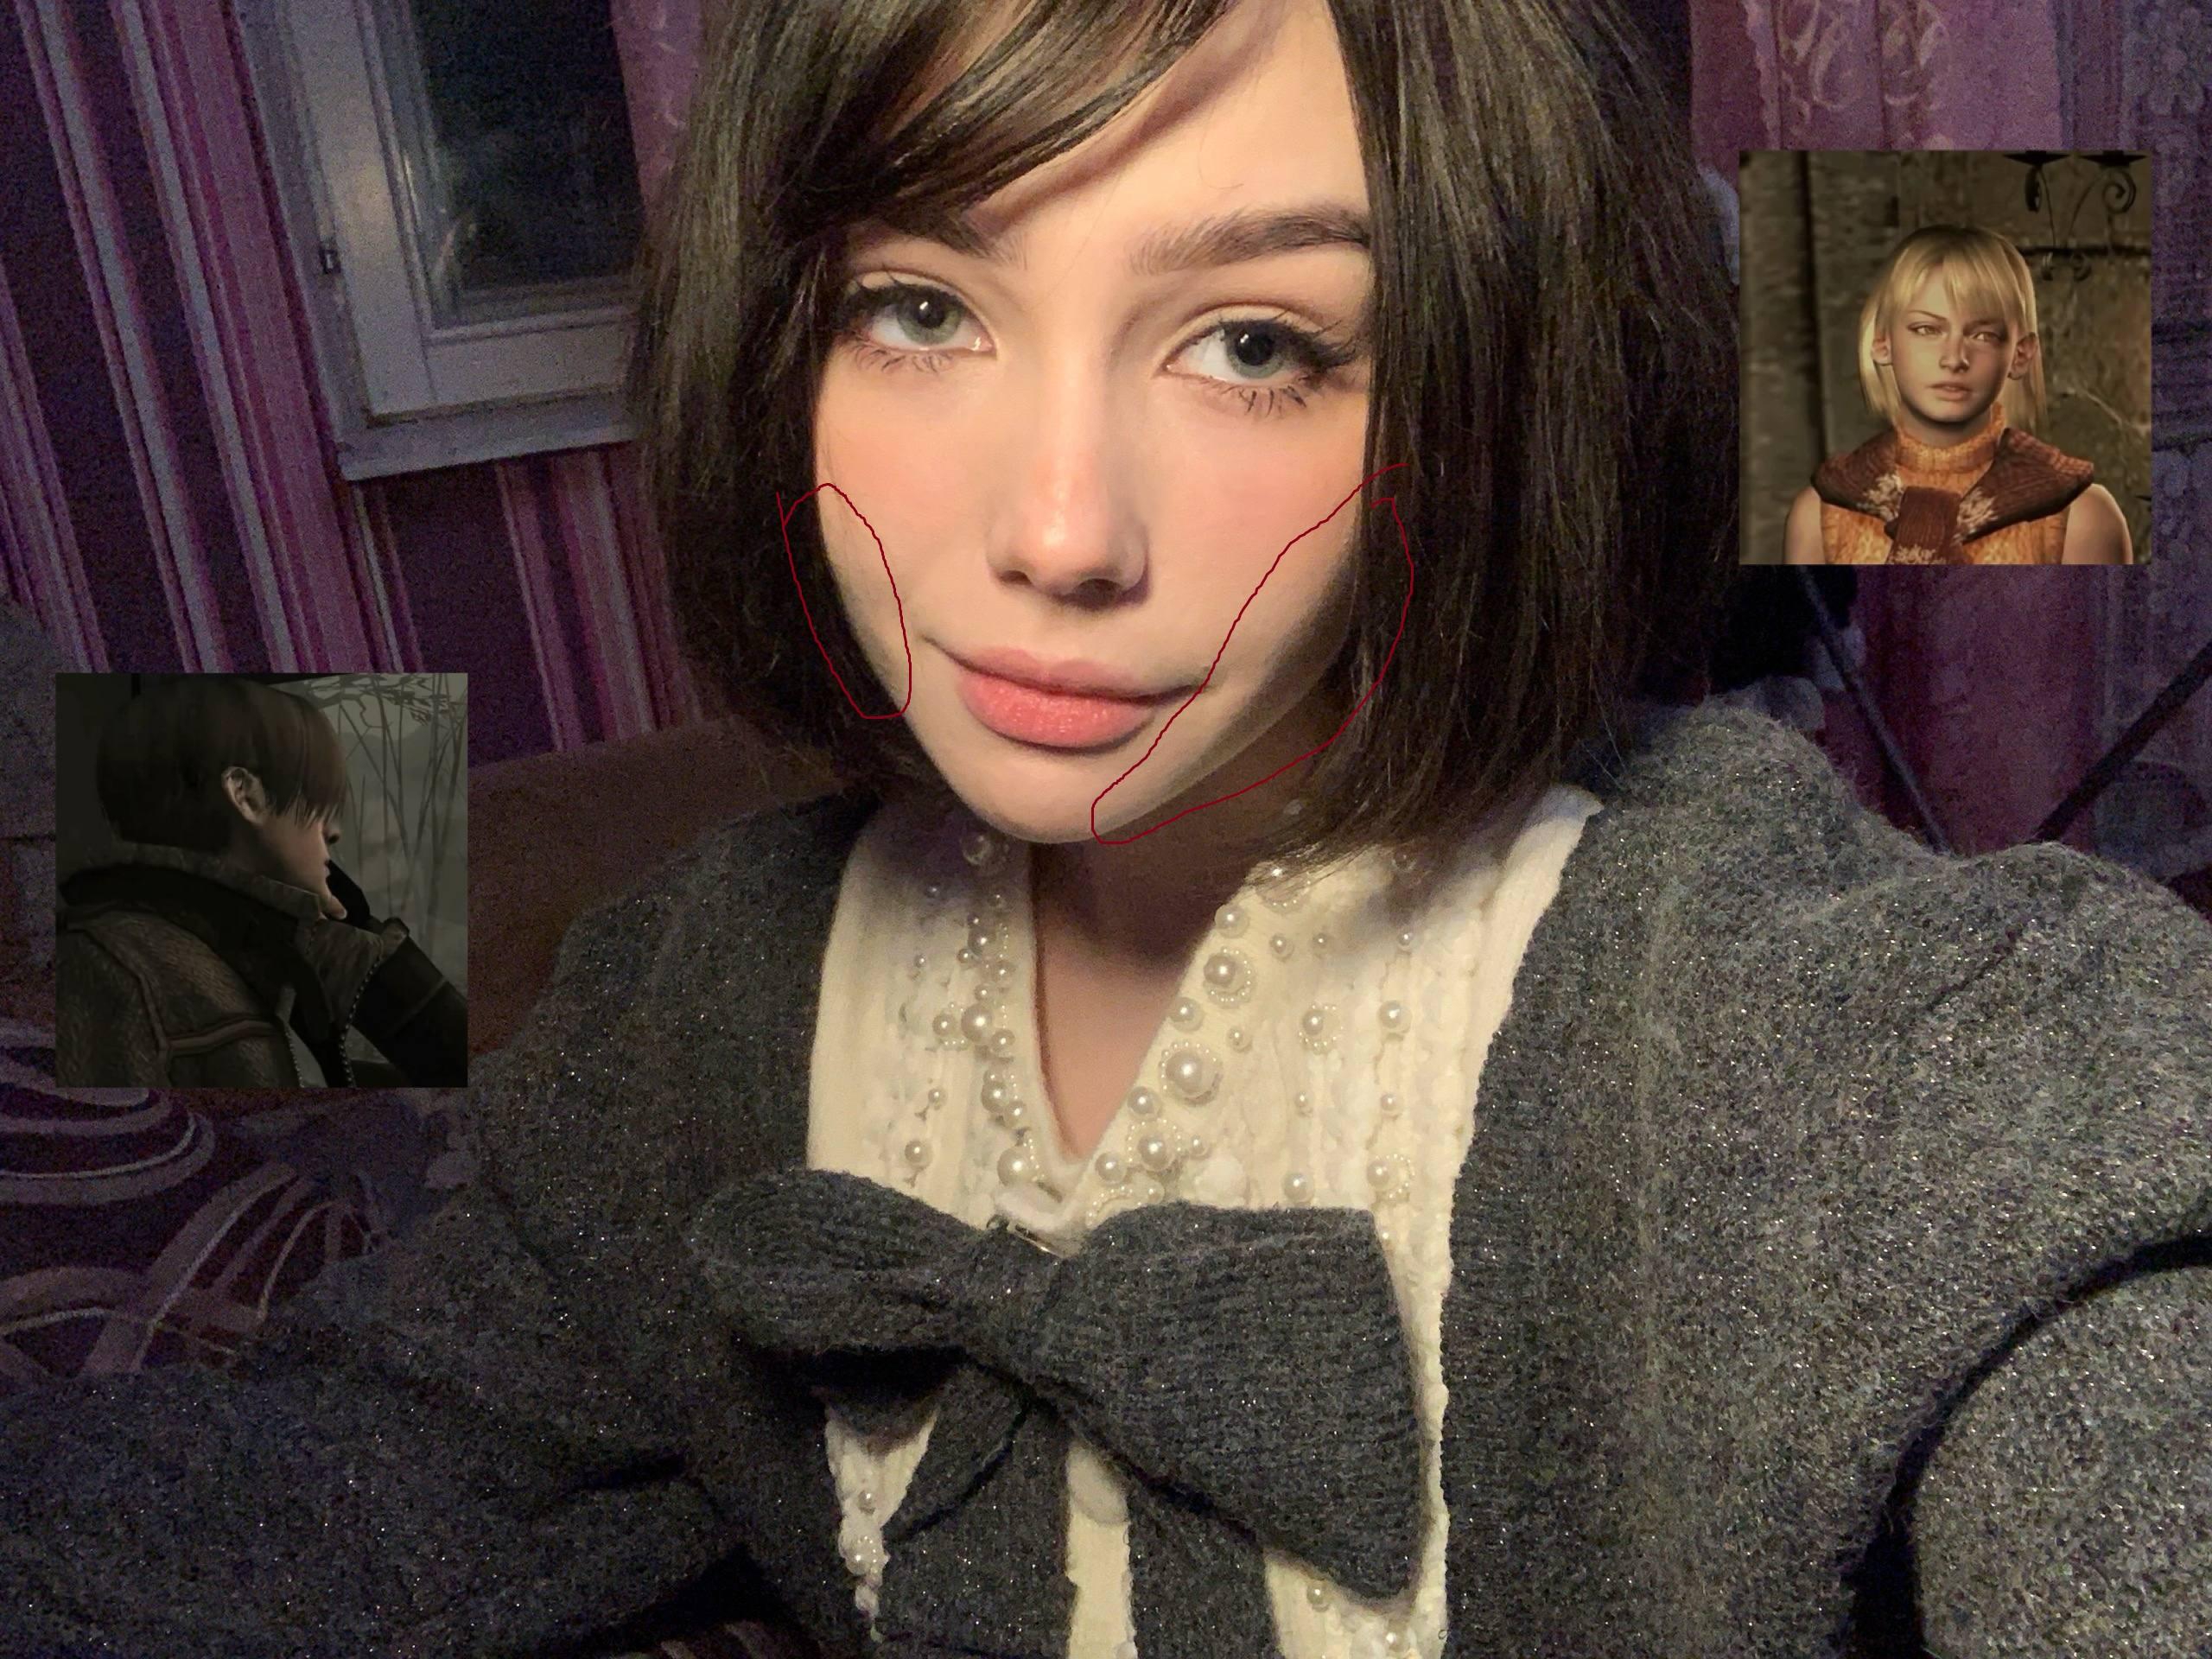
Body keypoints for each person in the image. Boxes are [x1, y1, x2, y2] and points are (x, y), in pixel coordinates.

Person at [3, 4, 2206, 1659]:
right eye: (916, 305)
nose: (1052, 536)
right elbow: (323, 1474)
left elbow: (2055, 1170)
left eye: (1252, 341)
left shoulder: (1778, 1025)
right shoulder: (694, 1001)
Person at [53, 676, 468, 1090]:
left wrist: (355, 942)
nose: (334, 830)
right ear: (245, 795)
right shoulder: (111, 969)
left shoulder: (246, 954)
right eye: (315, 800)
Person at [1784, 223, 2133, 565]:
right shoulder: (1821, 516)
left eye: (1983, 335)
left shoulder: (2081, 517)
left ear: (2021, 354)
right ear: (1881, 342)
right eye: (1926, 329)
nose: (1954, 359)